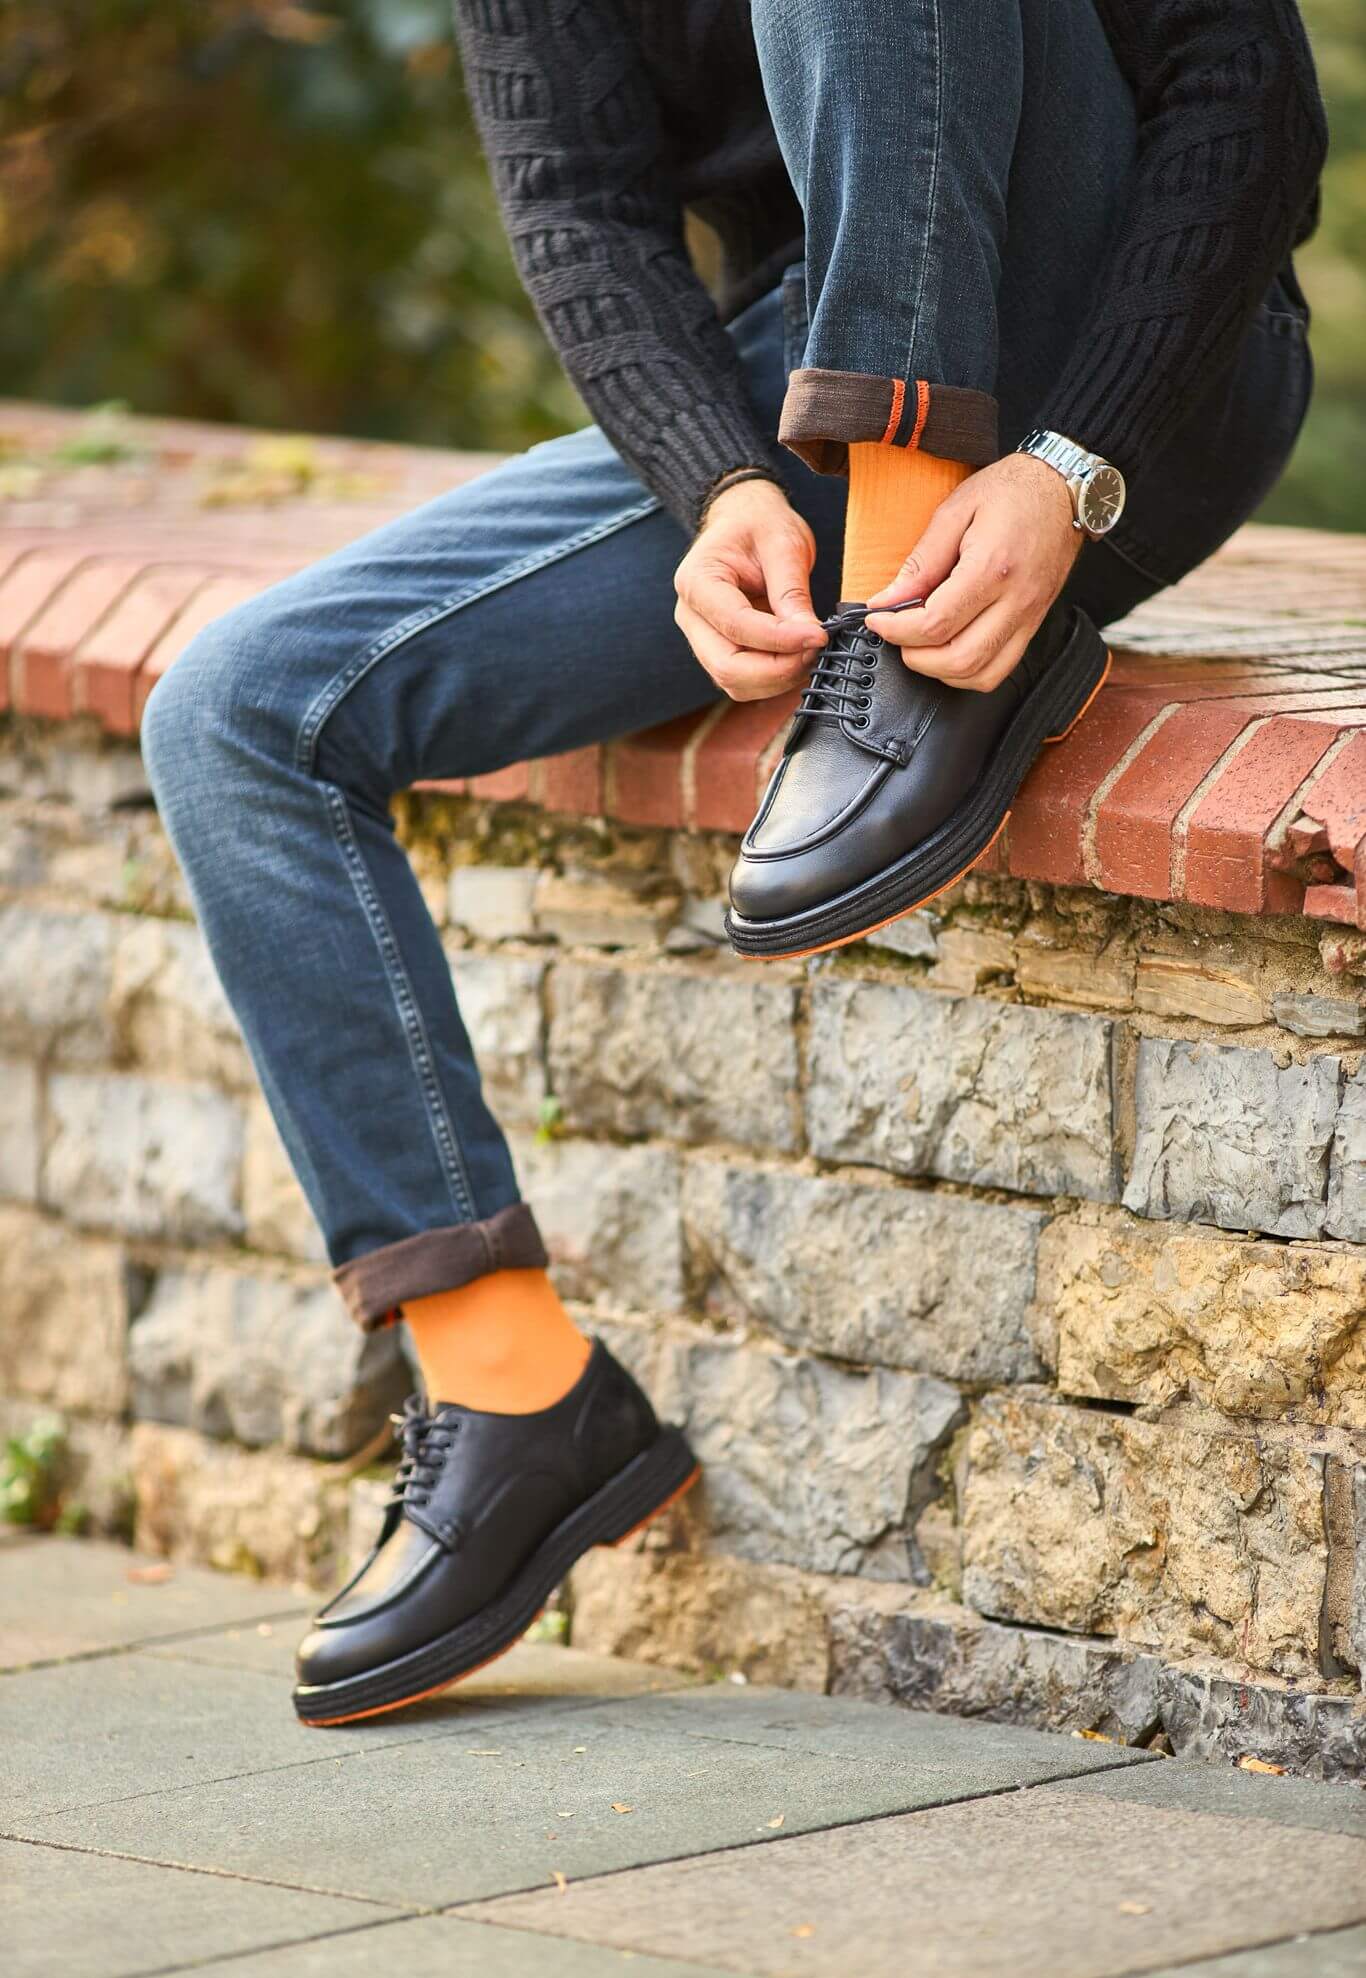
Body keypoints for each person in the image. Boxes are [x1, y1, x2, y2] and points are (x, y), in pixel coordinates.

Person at [140, 0, 1327, 1724]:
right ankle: (514, 1399)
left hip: (1138, 357)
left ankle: (919, 626)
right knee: (237, 715)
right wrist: (710, 485)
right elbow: (581, 204)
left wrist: (1074, 461)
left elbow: (1245, 104)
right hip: (808, 373)